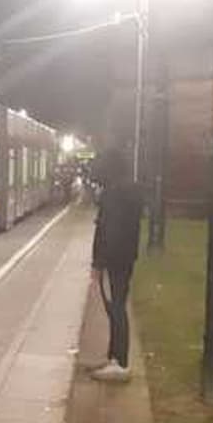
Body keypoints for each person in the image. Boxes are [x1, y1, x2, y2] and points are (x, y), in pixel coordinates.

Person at [90, 150, 143, 382]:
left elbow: (107, 231)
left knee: (115, 308)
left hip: (112, 260)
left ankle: (119, 362)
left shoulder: (113, 195)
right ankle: (114, 357)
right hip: (125, 257)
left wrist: (98, 263)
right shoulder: (130, 192)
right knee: (117, 305)